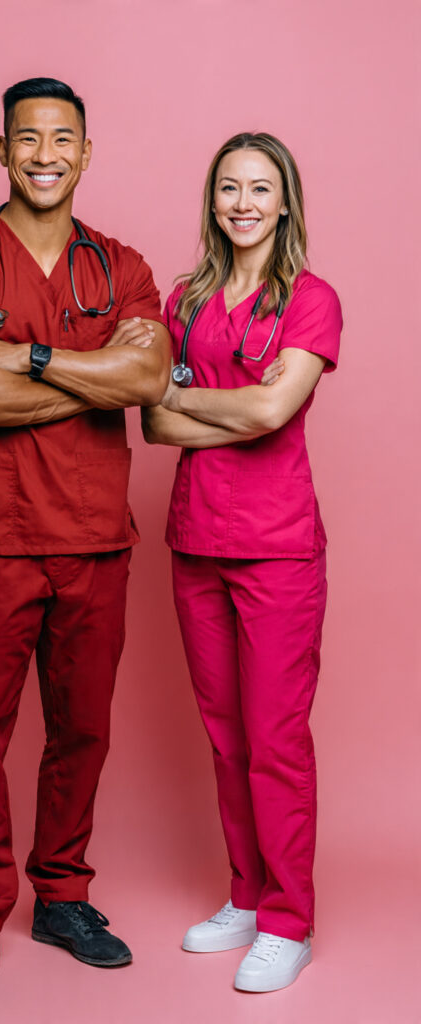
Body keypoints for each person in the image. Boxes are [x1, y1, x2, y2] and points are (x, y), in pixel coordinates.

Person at [0, 77, 170, 1010]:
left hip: (95, 538)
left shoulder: (122, 266)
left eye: (63, 139)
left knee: (83, 729)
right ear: (3, 150)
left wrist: (29, 353)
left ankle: (62, 896)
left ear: (86, 153)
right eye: (28, 138)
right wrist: (99, 372)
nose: (45, 155)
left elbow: (149, 381)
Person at [143, 132, 342, 993]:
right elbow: (153, 422)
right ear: (212, 200)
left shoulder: (311, 299)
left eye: (261, 188)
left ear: (285, 201)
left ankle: (289, 922)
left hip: (277, 550)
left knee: (274, 742)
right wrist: (222, 404)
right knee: (225, 740)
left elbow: (271, 412)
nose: (244, 203)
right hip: (196, 542)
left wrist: (191, 397)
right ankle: (248, 897)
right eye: (230, 187)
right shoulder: (183, 299)